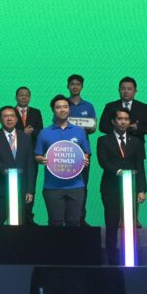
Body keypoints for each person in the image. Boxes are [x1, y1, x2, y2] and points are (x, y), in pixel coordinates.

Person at [97, 107, 147, 265]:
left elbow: (140, 167)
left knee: (129, 227)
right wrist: (119, 171)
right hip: (110, 189)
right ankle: (112, 260)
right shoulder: (103, 140)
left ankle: (130, 258)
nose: (123, 122)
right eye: (120, 119)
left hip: (130, 189)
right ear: (113, 121)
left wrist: (142, 189)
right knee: (112, 226)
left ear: (130, 121)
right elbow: (103, 162)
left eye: (126, 119)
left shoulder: (137, 142)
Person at [99, 76, 147, 228]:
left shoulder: (144, 107)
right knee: (114, 190)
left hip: (134, 148)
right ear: (119, 90)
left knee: (134, 180)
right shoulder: (110, 106)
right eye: (123, 88)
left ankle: (134, 217)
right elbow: (102, 126)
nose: (126, 91)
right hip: (114, 150)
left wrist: (135, 129)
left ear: (135, 91)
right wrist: (119, 132)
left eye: (129, 89)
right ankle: (118, 219)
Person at [34, 95, 90, 227]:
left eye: (65, 107)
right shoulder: (44, 132)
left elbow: (86, 152)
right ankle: (55, 248)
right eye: (58, 107)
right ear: (53, 110)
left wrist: (85, 159)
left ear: (69, 109)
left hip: (76, 186)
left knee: (74, 223)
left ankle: (73, 249)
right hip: (52, 187)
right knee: (55, 223)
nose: (62, 110)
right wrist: (41, 160)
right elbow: (37, 155)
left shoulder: (79, 131)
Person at [0, 106, 35, 225]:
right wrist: (5, 170)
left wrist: (30, 190)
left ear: (17, 119)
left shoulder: (25, 138)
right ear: (0, 120)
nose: (9, 119)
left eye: (12, 116)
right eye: (5, 116)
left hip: (21, 189)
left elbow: (30, 164)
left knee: (19, 226)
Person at [65, 74, 96, 226]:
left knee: (83, 185)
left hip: (84, 151)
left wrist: (88, 127)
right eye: (72, 84)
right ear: (68, 86)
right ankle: (67, 218)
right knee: (65, 185)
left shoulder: (88, 106)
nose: (75, 86)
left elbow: (93, 128)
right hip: (65, 152)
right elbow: (57, 124)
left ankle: (80, 218)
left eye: (78, 84)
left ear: (82, 87)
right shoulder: (63, 104)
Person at [13, 86, 44, 225]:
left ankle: (28, 217)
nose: (24, 97)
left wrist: (32, 131)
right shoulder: (10, 112)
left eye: (26, 95)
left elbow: (41, 131)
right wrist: (22, 132)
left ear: (30, 97)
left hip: (31, 155)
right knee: (15, 186)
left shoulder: (36, 112)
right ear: (16, 97)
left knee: (30, 185)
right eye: (21, 95)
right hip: (13, 155)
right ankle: (15, 215)